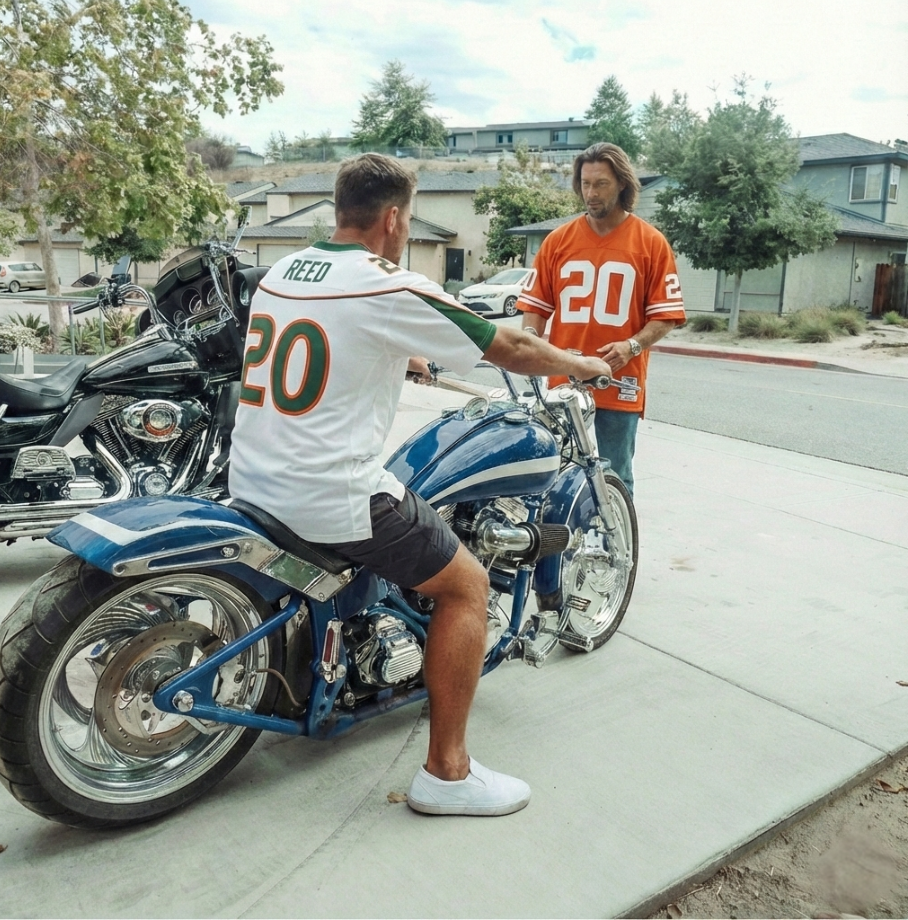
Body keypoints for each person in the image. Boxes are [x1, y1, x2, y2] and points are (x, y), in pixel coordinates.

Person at [229, 153, 611, 817]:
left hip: (254, 477)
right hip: (328, 494)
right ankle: (448, 772)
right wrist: (579, 361)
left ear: (340, 208)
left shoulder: (285, 271)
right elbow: (511, 347)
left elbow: (324, 335)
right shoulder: (389, 284)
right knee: (467, 584)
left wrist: (403, 353)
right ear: (396, 217)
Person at [517, 142, 686, 497]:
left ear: (622, 184)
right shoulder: (557, 241)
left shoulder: (651, 243)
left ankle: (614, 548)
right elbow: (535, 310)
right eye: (585, 183)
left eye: (601, 184)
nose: (590, 193)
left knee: (615, 476)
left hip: (618, 382)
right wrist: (532, 349)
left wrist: (631, 345)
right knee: (555, 473)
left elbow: (666, 315)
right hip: (564, 381)